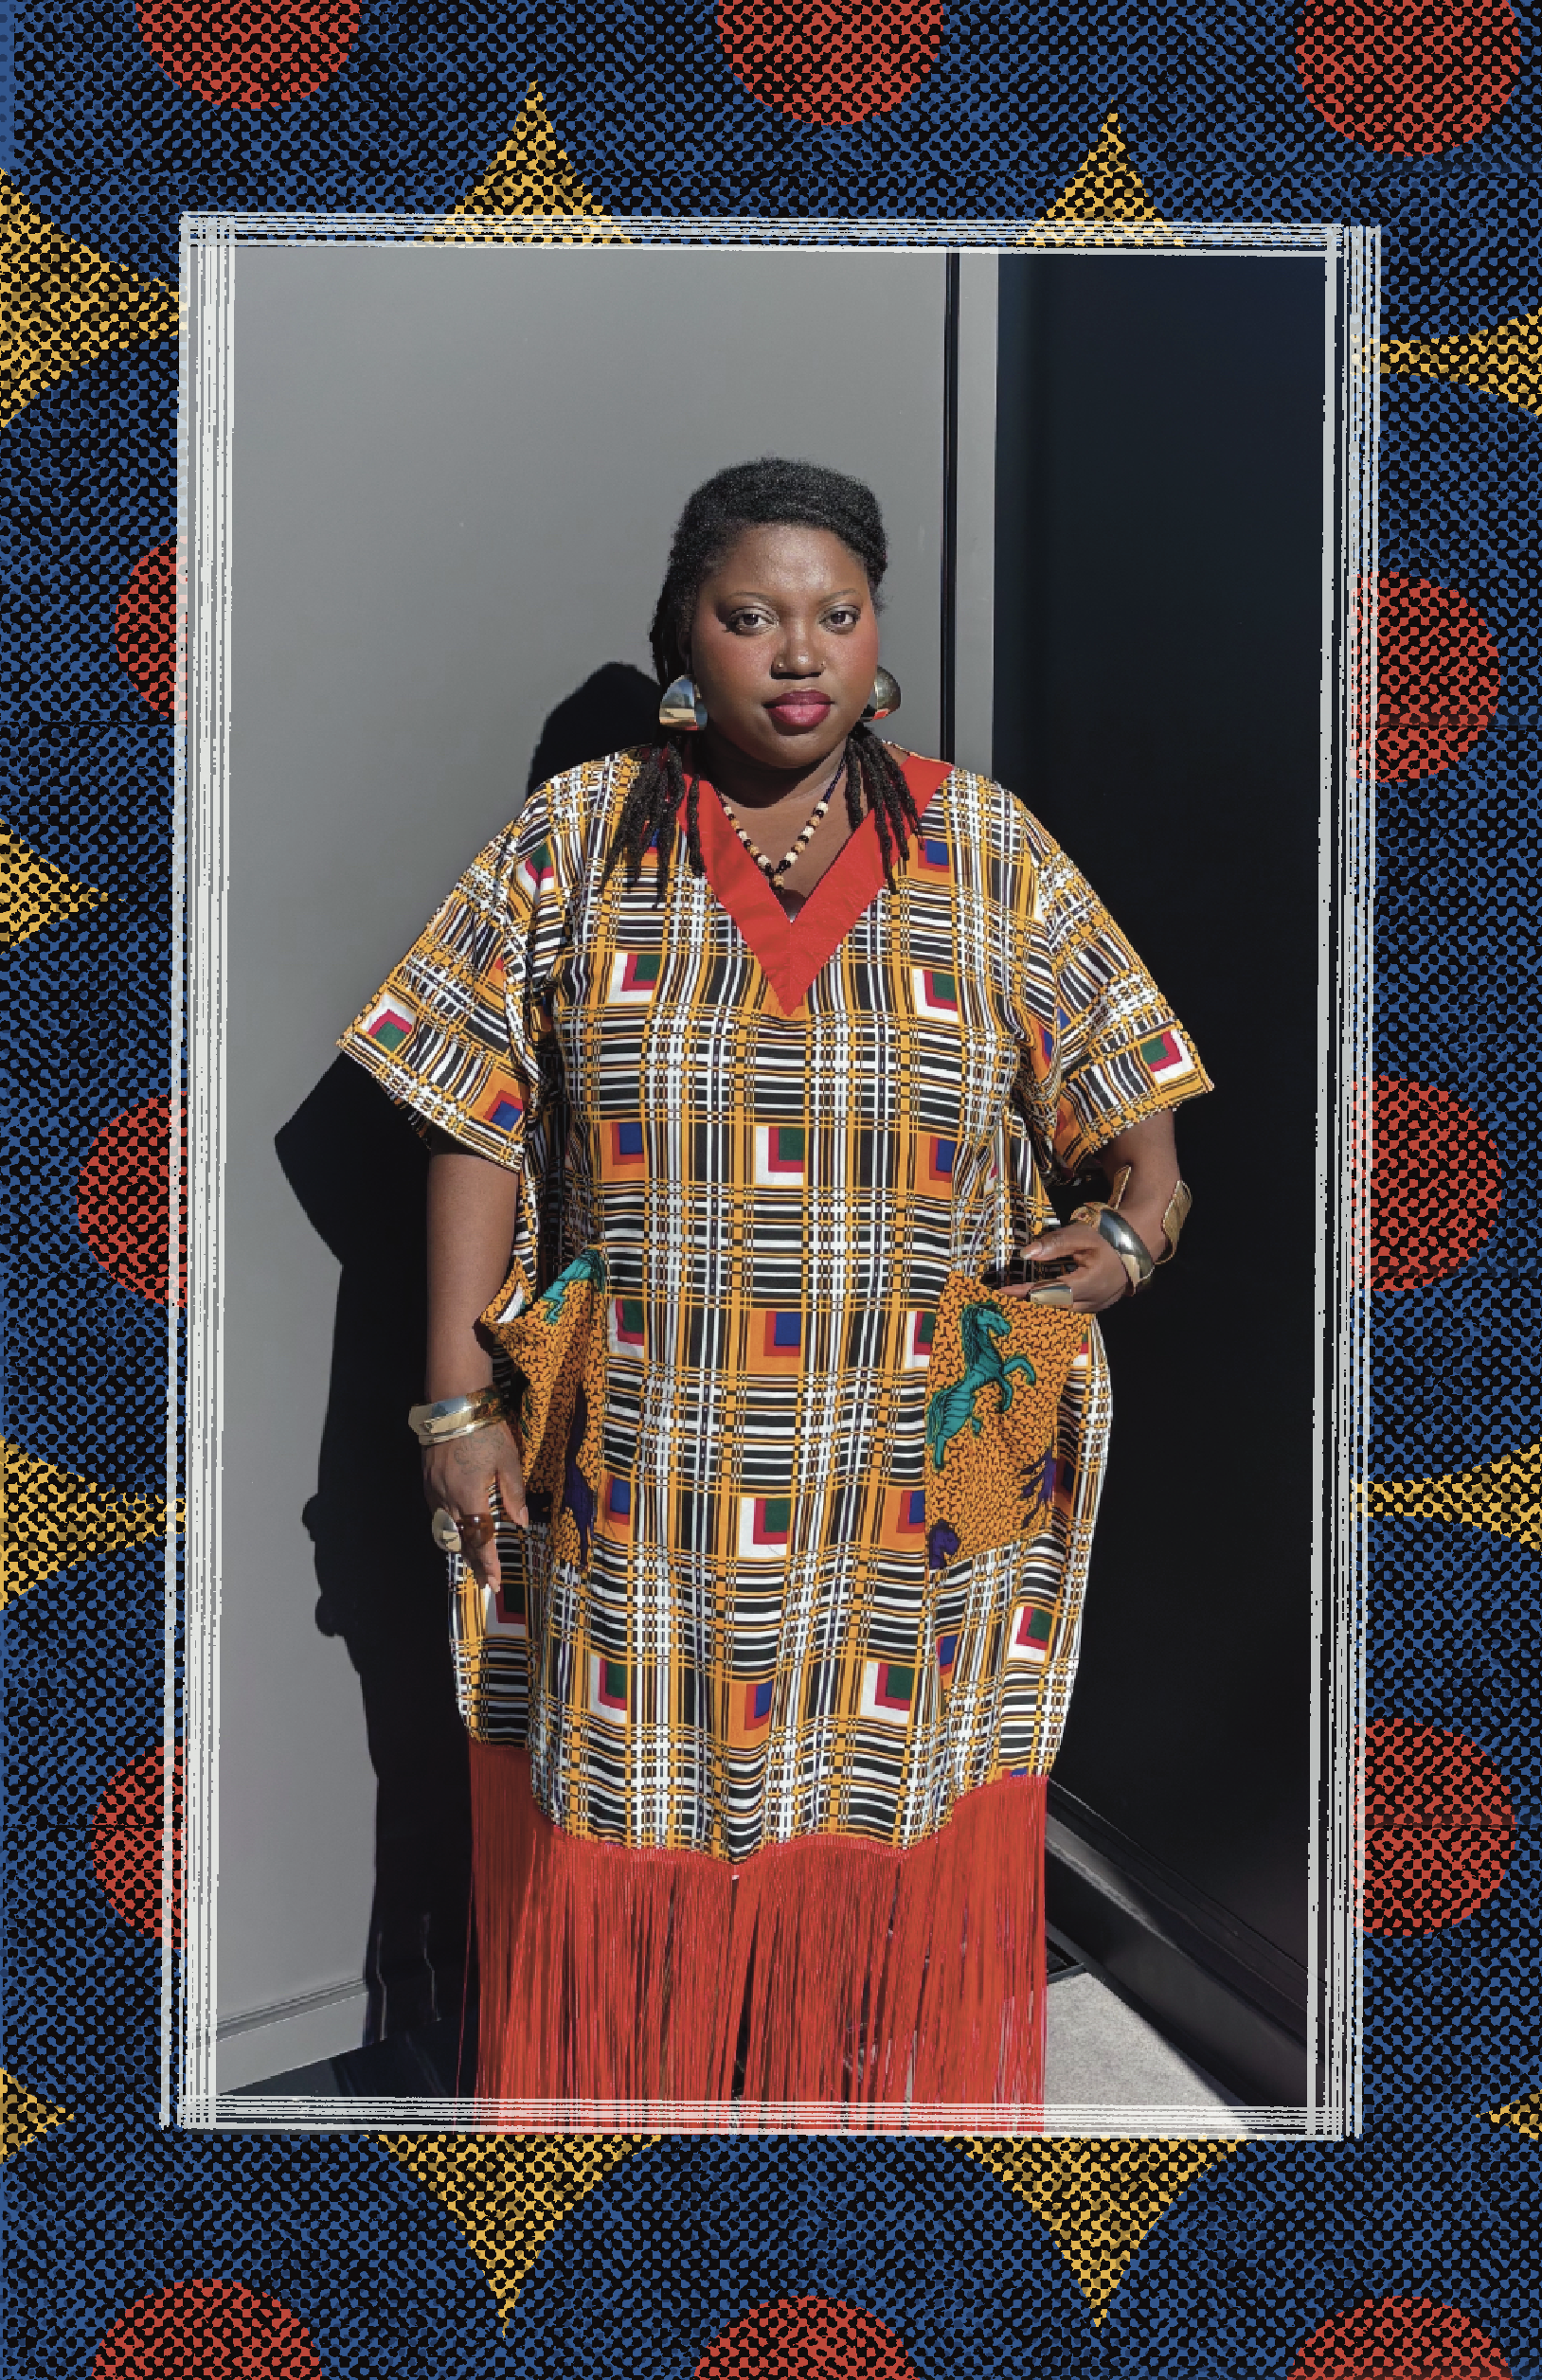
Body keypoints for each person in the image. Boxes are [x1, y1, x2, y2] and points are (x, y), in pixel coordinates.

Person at [341, 456, 1210, 2120]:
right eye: (750, 617)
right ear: (686, 633)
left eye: (836, 613)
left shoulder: (987, 844)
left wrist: (1133, 1240)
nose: (797, 652)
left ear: (878, 637)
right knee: (636, 1783)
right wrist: (454, 1404)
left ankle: (839, 2122)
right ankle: (642, 2148)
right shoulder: (577, 841)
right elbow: (472, 1121)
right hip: (649, 1449)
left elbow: (1141, 1125)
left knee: (891, 1788)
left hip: (916, 1457)